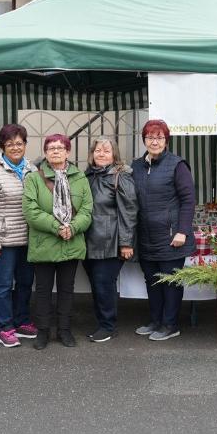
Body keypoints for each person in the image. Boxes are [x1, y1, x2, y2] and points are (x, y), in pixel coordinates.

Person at [23, 134, 92, 349]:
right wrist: (56, 227)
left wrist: (72, 227)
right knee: (43, 290)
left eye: (60, 148)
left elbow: (87, 210)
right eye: (51, 148)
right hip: (44, 243)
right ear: (45, 152)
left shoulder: (80, 177)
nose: (55, 151)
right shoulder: (34, 178)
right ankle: (42, 331)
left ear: (68, 152)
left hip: (70, 242)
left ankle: (64, 330)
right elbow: (30, 210)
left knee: (66, 289)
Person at [131, 119, 195, 341]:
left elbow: (188, 201)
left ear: (166, 140)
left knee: (170, 282)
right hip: (146, 236)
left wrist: (182, 231)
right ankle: (156, 320)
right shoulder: (136, 166)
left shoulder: (177, 165)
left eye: (159, 137)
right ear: (144, 140)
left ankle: (170, 324)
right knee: (152, 281)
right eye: (150, 137)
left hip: (171, 237)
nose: (154, 141)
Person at [0, 124, 38, 348]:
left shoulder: (32, 170)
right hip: (3, 240)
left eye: (19, 143)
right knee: (3, 285)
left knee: (25, 282)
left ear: (25, 145)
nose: (15, 147)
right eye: (10, 143)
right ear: (2, 146)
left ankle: (22, 321)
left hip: (29, 239)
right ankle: (5, 326)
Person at [83, 136, 138, 343]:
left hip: (110, 243)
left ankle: (108, 326)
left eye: (106, 150)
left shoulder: (120, 176)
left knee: (104, 285)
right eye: (98, 150)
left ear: (114, 154)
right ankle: (101, 324)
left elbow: (129, 212)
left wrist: (126, 243)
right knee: (97, 286)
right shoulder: (87, 176)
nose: (101, 154)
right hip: (89, 242)